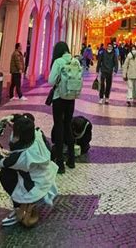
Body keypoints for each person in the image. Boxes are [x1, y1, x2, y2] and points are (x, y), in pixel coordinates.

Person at [0, 113, 58, 228]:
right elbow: (26, 121)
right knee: (14, 170)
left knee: (5, 175)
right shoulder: (37, 133)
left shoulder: (21, 157)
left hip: (33, 185)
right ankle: (32, 200)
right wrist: (12, 117)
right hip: (46, 176)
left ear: (18, 136)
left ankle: (19, 207)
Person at [48, 41, 78, 174]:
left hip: (59, 97)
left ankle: (60, 163)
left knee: (58, 126)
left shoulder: (59, 62)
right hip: (71, 98)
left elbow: (51, 80)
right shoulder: (74, 61)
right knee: (67, 125)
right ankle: (71, 159)